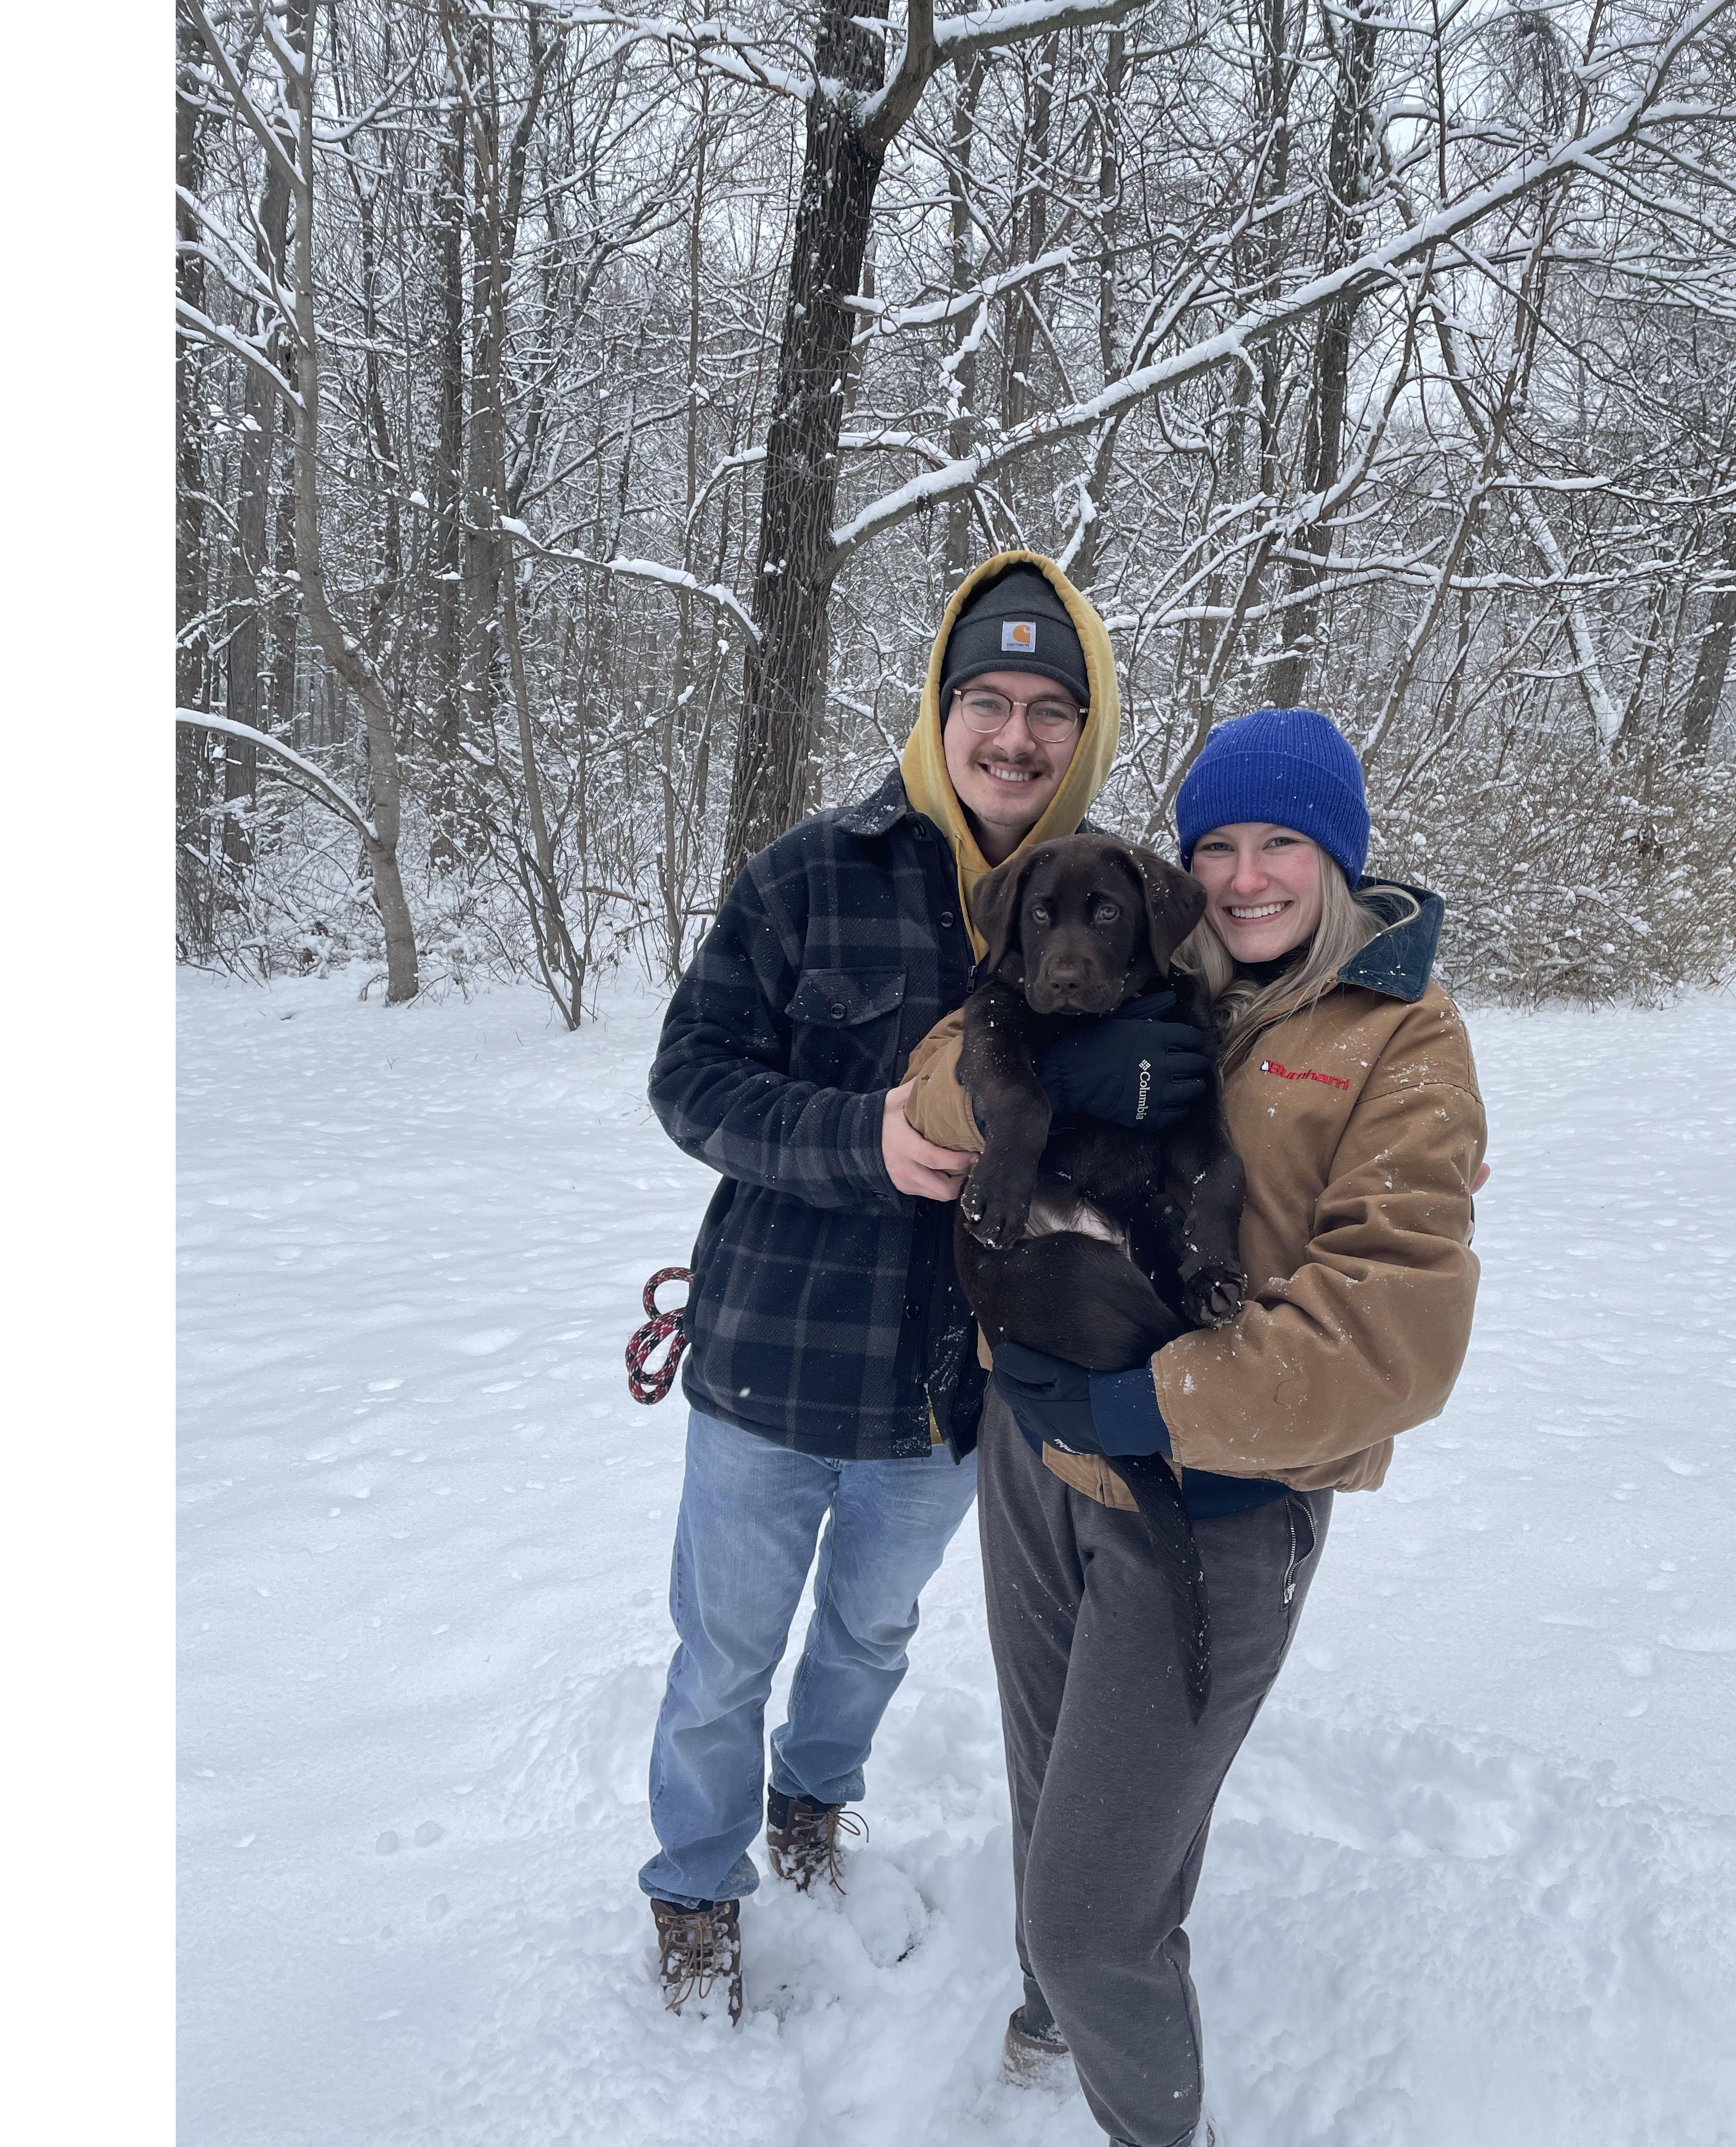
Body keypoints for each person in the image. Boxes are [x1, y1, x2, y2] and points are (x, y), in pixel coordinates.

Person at [637, 552, 1217, 2022]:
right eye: (987, 699)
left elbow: (1281, 1020)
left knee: (872, 1637)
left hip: (953, 1390)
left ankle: (811, 1817)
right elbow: (688, 1079)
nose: (1014, 735)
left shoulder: (1126, 906)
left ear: (1085, 732)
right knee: (722, 1659)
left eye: (1048, 708)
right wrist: (860, 1139)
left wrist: (1397, 1141)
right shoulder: (814, 870)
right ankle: (696, 1893)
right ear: (940, 709)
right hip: (773, 1356)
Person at [898, 704, 1488, 2146]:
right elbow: (930, 1091)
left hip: (1214, 1507)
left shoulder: (1403, 1043)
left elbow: (1394, 1335)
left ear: (1337, 859)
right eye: (1216, 844)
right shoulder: (1155, 969)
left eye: (1281, 843)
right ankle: (1054, 2023)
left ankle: (1153, 2113)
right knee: (1055, 1789)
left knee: (1095, 1912)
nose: (1244, 877)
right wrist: (1021, 1073)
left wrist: (1147, 1402)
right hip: (1037, 1462)